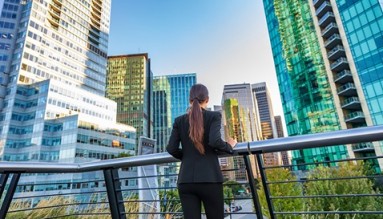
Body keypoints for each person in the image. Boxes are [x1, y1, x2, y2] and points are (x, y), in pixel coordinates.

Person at [166, 83, 237, 219]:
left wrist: (187, 157)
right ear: (207, 100)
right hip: (210, 179)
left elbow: (171, 148)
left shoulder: (179, 121)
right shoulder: (214, 116)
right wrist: (229, 146)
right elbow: (215, 141)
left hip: (186, 181)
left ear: (190, 100)